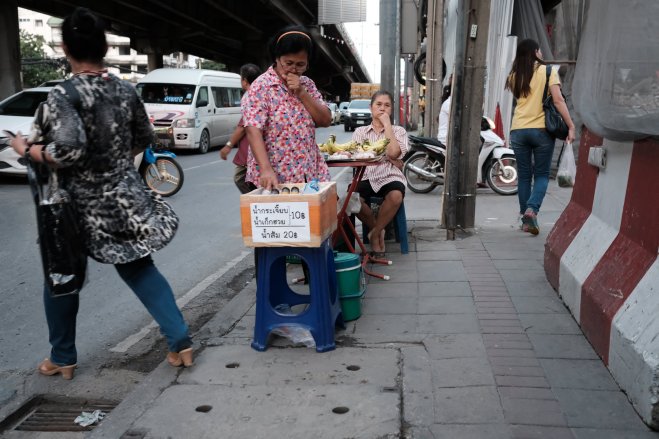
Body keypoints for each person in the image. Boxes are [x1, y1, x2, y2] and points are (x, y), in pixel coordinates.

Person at [9, 7, 193, 380]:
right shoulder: (125, 90)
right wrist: (114, 163)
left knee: (62, 276)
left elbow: (67, 150)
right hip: (123, 199)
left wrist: (25, 149)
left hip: (73, 206)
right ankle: (180, 341)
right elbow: (143, 137)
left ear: (65, 48)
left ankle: (63, 357)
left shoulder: (64, 94)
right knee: (139, 268)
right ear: (105, 47)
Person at [242, 26, 332, 190]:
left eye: (300, 64)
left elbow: (325, 120)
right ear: (277, 59)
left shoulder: (308, 85)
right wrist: (266, 169)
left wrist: (301, 92)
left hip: (309, 174)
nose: (294, 69)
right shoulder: (261, 86)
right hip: (275, 178)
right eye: (288, 63)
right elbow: (253, 130)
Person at [505, 39, 576, 235]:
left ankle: (525, 219)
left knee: (524, 176)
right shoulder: (547, 71)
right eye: (540, 51)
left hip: (518, 130)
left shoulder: (514, 75)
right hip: (541, 131)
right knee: (542, 175)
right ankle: (532, 210)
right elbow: (558, 100)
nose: (542, 54)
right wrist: (571, 126)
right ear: (535, 52)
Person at [352, 91, 409, 258]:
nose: (382, 108)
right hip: (366, 175)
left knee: (396, 196)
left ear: (391, 110)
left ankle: (375, 234)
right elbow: (358, 156)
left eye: (387, 105)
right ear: (371, 108)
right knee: (352, 200)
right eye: (378, 104)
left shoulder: (399, 131)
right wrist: (389, 158)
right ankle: (379, 230)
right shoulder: (360, 132)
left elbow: (394, 153)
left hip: (389, 175)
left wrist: (387, 126)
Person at [219, 63, 262, 194]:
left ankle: (255, 201)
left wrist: (228, 145)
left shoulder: (250, 97)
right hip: (257, 145)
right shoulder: (262, 93)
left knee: (240, 178)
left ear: (244, 80)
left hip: (252, 146)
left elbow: (243, 126)